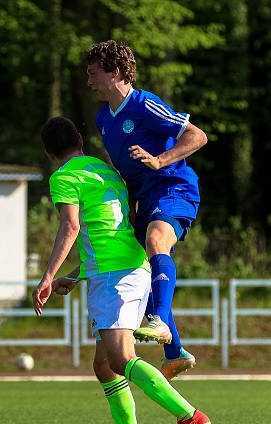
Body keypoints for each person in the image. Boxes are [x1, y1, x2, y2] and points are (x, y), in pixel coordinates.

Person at [33, 116, 210, 424]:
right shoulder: (105, 170)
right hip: (124, 267)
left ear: (48, 152)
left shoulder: (64, 176)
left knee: (120, 360)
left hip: (116, 277)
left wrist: (48, 276)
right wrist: (77, 274)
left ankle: (188, 415)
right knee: (104, 366)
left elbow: (72, 226)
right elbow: (107, 230)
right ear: (80, 140)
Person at [86, 40, 208, 380]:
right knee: (141, 269)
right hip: (144, 199)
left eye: (94, 73)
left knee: (157, 241)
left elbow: (197, 137)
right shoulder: (103, 119)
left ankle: (158, 323)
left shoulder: (145, 104)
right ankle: (175, 352)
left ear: (117, 73)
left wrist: (159, 160)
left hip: (174, 187)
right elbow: (128, 172)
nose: (89, 81)